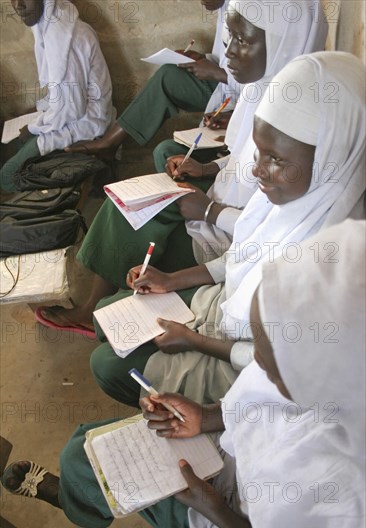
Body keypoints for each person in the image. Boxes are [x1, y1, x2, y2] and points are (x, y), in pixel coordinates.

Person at [2, 218, 365, 528]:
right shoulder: (329, 371)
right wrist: (206, 417)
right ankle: (81, 495)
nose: (258, 368)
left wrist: (215, 509)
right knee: (89, 448)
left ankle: (71, 500)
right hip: (227, 455)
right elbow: (261, 400)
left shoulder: (346, 492)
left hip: (226, 521)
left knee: (83, 463)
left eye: (271, 361)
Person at [85, 52, 366, 408]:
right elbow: (239, 255)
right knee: (108, 317)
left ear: (331, 155)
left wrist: (195, 341)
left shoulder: (334, 265)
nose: (255, 171)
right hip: (224, 304)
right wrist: (172, 280)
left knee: (107, 364)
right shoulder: (292, 197)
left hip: (241, 366)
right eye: (260, 154)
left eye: (275, 159)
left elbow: (281, 371)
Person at [35, 0, 328, 334]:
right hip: (221, 210)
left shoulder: (299, 121)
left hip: (231, 238)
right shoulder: (262, 89)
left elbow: (271, 230)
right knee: (133, 202)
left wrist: (211, 211)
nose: (228, 53)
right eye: (230, 39)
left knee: (135, 213)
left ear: (282, 40)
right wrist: (206, 172)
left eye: (242, 41)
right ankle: (104, 298)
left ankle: (102, 303)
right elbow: (241, 158)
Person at [65, 0, 240, 161]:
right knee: (169, 74)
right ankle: (110, 142)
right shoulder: (226, 7)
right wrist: (201, 59)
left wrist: (216, 73)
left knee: (167, 150)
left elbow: (263, 86)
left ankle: (108, 143)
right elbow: (226, 59)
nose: (202, 2)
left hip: (240, 94)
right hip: (226, 85)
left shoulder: (253, 11)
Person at [0, 0, 115, 193]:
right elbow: (61, 92)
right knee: (21, 143)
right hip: (77, 116)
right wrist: (38, 110)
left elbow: (71, 109)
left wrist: (33, 127)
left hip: (87, 124)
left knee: (7, 178)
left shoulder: (63, 38)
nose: (18, 5)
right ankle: (58, 178)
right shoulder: (52, 23)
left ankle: (74, 182)